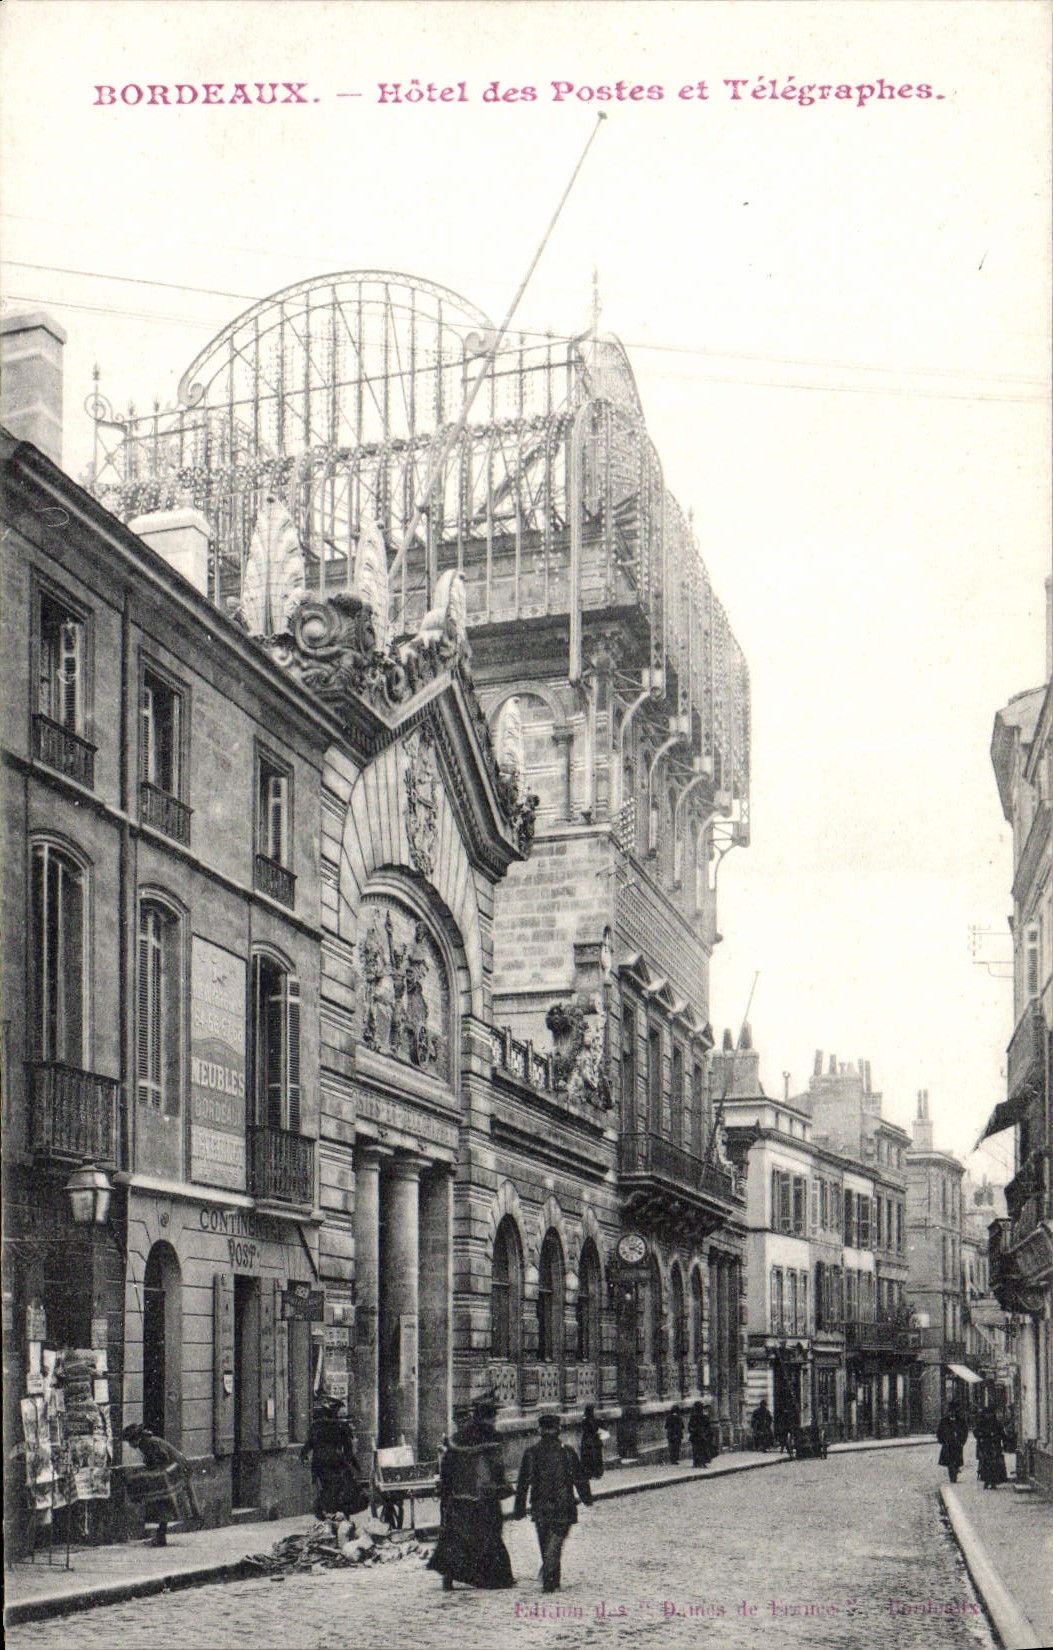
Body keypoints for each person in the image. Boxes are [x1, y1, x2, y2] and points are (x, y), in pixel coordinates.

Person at [428, 1391, 515, 1591]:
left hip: (460, 1496)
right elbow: (496, 1467)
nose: (495, 1420)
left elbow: (447, 1467)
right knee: (490, 1535)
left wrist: (446, 1490)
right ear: (489, 1416)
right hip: (485, 1496)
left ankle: (449, 1574)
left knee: (457, 1536)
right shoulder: (493, 1438)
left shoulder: (458, 1438)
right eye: (494, 1416)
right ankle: (491, 1578)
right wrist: (502, 1486)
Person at [514, 1413, 593, 1594]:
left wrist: (519, 1508)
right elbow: (579, 1478)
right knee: (556, 1541)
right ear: (559, 1430)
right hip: (563, 1505)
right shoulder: (567, 1452)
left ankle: (551, 1577)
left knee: (545, 1541)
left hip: (541, 1506)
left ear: (539, 1430)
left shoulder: (531, 1453)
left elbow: (522, 1483)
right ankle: (551, 1577)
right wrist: (586, 1497)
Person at [121, 1423, 202, 1546]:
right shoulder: (146, 1442)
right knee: (165, 1501)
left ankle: (164, 1534)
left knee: (166, 1500)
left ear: (136, 1439)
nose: (130, 1445)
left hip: (177, 1468)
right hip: (177, 1467)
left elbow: (161, 1459)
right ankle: (161, 1534)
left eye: (130, 1441)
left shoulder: (148, 1443)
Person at [299, 1395, 365, 1519]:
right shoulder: (341, 1427)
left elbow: (308, 1445)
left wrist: (303, 1455)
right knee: (344, 1485)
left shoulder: (316, 1426)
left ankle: (327, 1512)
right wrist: (356, 1467)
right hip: (335, 1463)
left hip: (320, 1464)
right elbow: (348, 1452)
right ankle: (336, 1513)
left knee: (329, 1488)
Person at [975, 1404, 1008, 1490]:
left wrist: (999, 1438)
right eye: (988, 1414)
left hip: (995, 1446)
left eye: (991, 1414)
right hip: (985, 1446)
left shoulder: (997, 1424)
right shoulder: (981, 1423)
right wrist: (982, 1437)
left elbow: (1003, 1434)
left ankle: (993, 1482)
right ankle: (986, 1481)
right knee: (986, 1464)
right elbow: (976, 1433)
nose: (989, 1416)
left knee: (995, 1464)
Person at [936, 1404, 968, 1484]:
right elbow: (939, 1432)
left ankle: (955, 1471)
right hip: (948, 1445)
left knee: (956, 1461)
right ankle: (952, 1477)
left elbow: (965, 1431)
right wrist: (942, 1440)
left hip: (957, 1445)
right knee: (949, 1462)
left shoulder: (961, 1421)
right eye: (950, 1412)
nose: (951, 1413)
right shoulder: (944, 1421)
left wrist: (962, 1441)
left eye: (953, 1412)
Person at [578, 1404, 605, 1481]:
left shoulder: (586, 1420)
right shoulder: (591, 1420)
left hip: (588, 1442)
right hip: (593, 1442)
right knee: (594, 1457)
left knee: (590, 1458)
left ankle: (591, 1473)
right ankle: (595, 1473)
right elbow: (595, 1430)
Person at [688, 1400, 716, 1467]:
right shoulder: (704, 1417)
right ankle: (701, 1462)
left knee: (696, 1449)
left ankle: (696, 1462)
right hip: (701, 1436)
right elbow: (708, 1427)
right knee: (702, 1449)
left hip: (696, 1436)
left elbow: (690, 1427)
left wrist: (693, 1431)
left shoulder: (693, 1417)